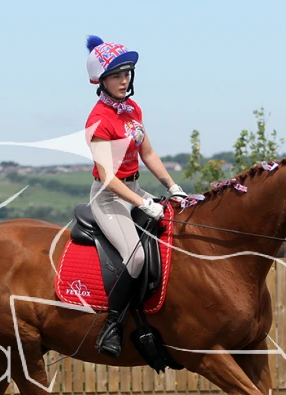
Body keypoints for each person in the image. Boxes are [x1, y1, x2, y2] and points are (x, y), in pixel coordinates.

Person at [84, 35, 188, 358]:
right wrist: (142, 203)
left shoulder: (132, 109)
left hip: (135, 188)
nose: (124, 80)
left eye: (127, 73)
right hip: (109, 197)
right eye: (116, 75)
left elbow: (149, 153)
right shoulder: (98, 120)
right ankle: (112, 327)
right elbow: (107, 177)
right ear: (101, 80)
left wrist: (172, 186)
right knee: (136, 257)